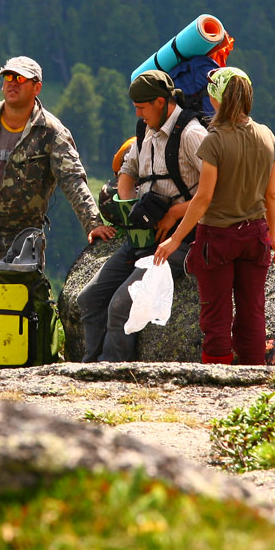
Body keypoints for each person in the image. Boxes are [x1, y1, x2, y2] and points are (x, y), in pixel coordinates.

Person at [0, 56, 115, 278]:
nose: (12, 82)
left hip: (21, 240)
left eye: (21, 78)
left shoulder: (52, 133)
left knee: (17, 306)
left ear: (36, 87)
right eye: (8, 76)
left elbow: (73, 180)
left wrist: (92, 223)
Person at [154, 68, 275, 365]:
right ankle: (254, 382)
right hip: (256, 236)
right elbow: (270, 196)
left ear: (216, 99)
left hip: (218, 239)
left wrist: (175, 240)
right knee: (253, 312)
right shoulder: (267, 137)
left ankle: (218, 383)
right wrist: (273, 236)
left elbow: (203, 198)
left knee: (216, 315)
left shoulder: (214, 141)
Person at [76, 69, 206, 362]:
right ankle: (90, 367)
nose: (138, 113)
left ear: (161, 102)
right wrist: (128, 205)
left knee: (122, 303)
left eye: (142, 107)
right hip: (143, 236)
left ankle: (112, 372)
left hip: (179, 239)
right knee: (90, 299)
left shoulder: (192, 134)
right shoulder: (145, 130)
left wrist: (174, 213)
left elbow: (217, 192)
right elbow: (128, 170)